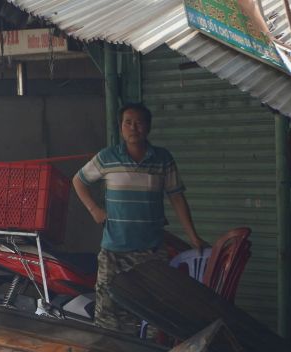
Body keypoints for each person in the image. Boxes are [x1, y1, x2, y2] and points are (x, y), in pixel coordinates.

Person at [72, 102, 206, 335]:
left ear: (148, 127)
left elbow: (177, 198)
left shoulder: (162, 159)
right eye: (128, 123)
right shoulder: (107, 157)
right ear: (121, 128)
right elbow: (78, 180)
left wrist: (193, 237)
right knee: (108, 313)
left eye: (139, 122)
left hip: (151, 251)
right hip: (114, 251)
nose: (134, 128)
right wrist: (94, 209)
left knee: (154, 312)